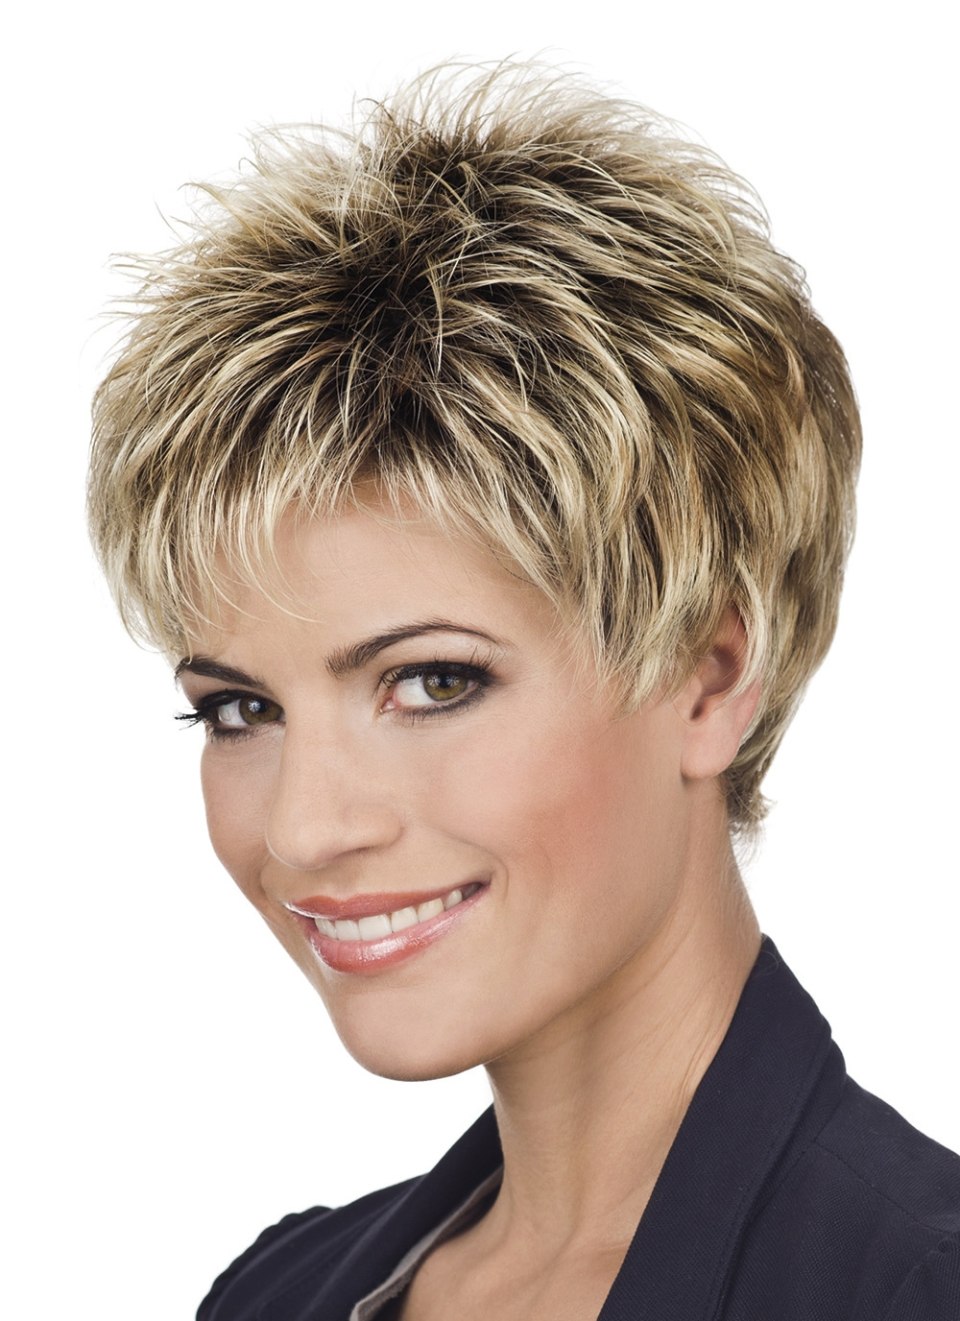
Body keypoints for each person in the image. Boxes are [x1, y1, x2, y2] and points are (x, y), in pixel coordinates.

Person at [87, 62, 960, 1320]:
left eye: (431, 681)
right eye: (241, 709)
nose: (304, 829)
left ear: (709, 677)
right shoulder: (276, 1294)